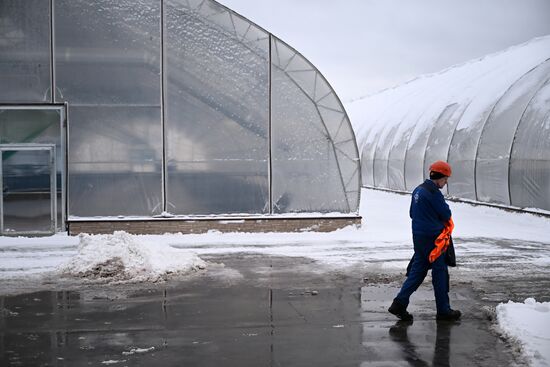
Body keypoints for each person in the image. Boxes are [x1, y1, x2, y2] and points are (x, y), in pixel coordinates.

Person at [388, 160, 461, 321]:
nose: (446, 182)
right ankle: (443, 310)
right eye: (446, 178)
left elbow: (412, 214)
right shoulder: (434, 193)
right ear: (439, 177)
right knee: (440, 273)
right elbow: (446, 214)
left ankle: (399, 303)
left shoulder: (418, 190)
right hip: (435, 241)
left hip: (419, 238)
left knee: (418, 272)